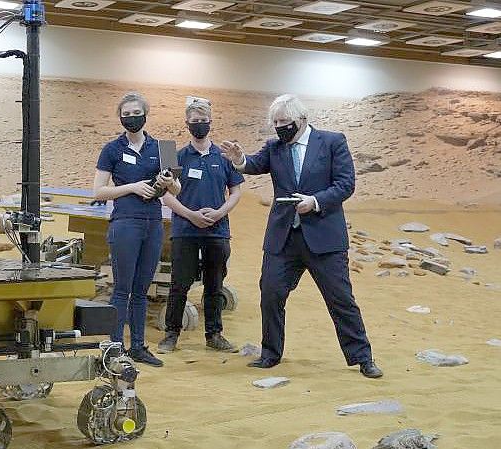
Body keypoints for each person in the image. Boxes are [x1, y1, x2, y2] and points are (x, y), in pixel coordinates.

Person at [220, 94, 383, 378]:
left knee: (341, 299)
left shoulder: (332, 142)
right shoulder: (275, 147)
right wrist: (239, 160)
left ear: (302, 120)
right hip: (284, 238)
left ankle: (362, 358)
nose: (280, 127)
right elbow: (254, 164)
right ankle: (270, 353)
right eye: (275, 122)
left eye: (284, 122)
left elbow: (346, 184)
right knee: (270, 294)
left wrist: (316, 201)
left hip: (324, 238)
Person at [93, 91, 180, 367]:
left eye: (136, 113)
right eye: (126, 114)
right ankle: (115, 348)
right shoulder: (112, 149)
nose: (131, 118)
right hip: (125, 223)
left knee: (142, 290)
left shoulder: (164, 148)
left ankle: (139, 347)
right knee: (122, 289)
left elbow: (176, 189)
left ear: (146, 114)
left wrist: (167, 181)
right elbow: (98, 190)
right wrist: (131, 187)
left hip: (152, 223)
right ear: (120, 117)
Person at [157, 97, 244, 354]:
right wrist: (190, 215)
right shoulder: (175, 156)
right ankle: (171, 335)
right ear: (187, 124)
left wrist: (219, 213)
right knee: (180, 283)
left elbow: (236, 192)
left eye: (203, 121)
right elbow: (165, 193)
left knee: (215, 284)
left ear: (211, 123)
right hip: (185, 230)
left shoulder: (224, 157)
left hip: (217, 231)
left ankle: (214, 335)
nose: (199, 125)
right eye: (194, 121)